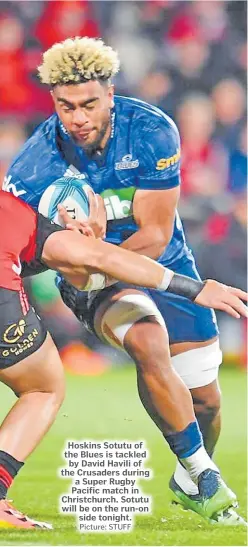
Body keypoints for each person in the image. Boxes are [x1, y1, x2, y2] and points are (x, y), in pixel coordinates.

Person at [4, 37, 247, 525]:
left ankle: (187, 473)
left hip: (164, 259)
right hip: (91, 280)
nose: (78, 117)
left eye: (89, 103)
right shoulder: (33, 168)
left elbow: (155, 235)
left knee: (205, 398)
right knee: (147, 340)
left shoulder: (152, 132)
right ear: (53, 102)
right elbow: (33, 257)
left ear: (110, 94)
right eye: (65, 105)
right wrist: (86, 261)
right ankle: (203, 475)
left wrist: (100, 250)